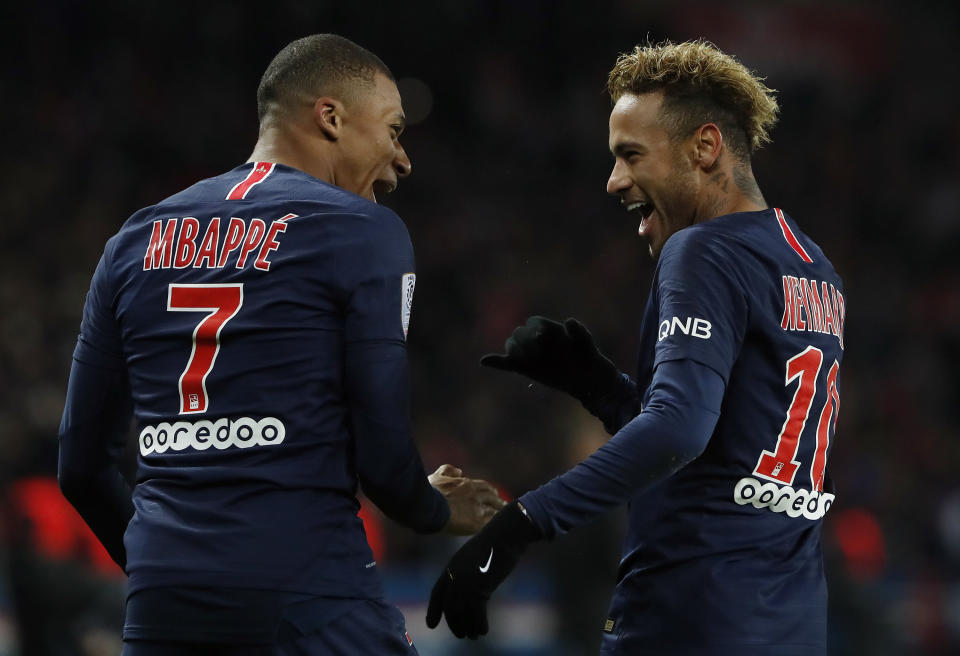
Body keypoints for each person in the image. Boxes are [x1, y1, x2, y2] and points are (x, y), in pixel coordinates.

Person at [58, 33, 504, 655]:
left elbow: (80, 466)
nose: (402, 159)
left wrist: (169, 573)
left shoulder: (131, 242)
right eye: (394, 130)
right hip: (307, 595)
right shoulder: (361, 232)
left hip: (163, 606)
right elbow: (382, 452)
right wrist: (431, 509)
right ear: (331, 117)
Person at [427, 39, 845, 656]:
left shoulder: (704, 250)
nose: (614, 180)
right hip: (788, 624)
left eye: (631, 156)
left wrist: (520, 524)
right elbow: (724, 456)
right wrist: (600, 386)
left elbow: (678, 430)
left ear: (705, 148)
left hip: (686, 619)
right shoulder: (813, 267)